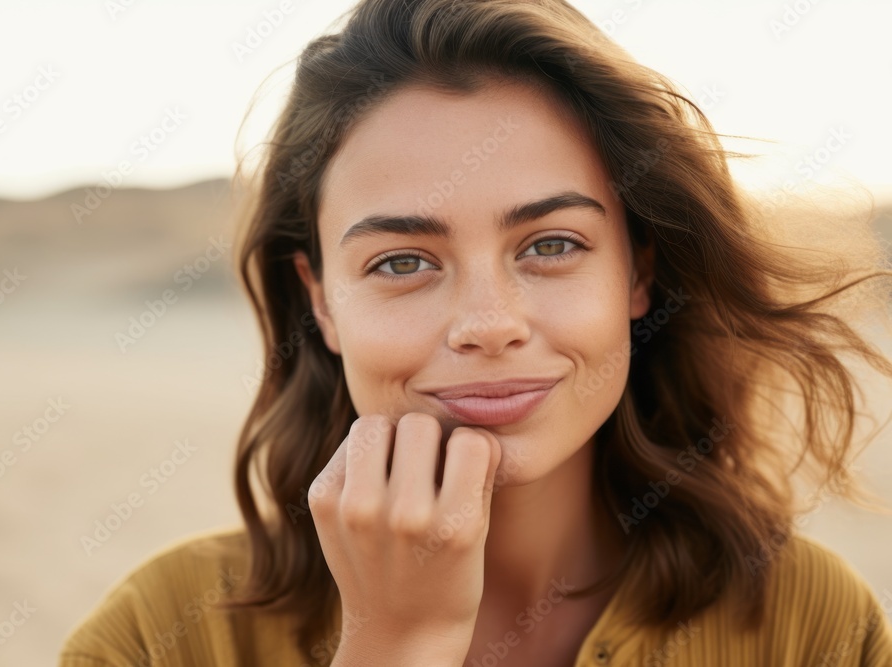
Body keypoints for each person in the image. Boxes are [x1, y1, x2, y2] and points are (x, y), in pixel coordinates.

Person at [59, 0, 892, 665]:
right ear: (320, 301)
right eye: (400, 262)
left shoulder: (808, 624)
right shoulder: (159, 635)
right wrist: (395, 646)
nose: (489, 324)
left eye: (553, 245)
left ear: (637, 274)